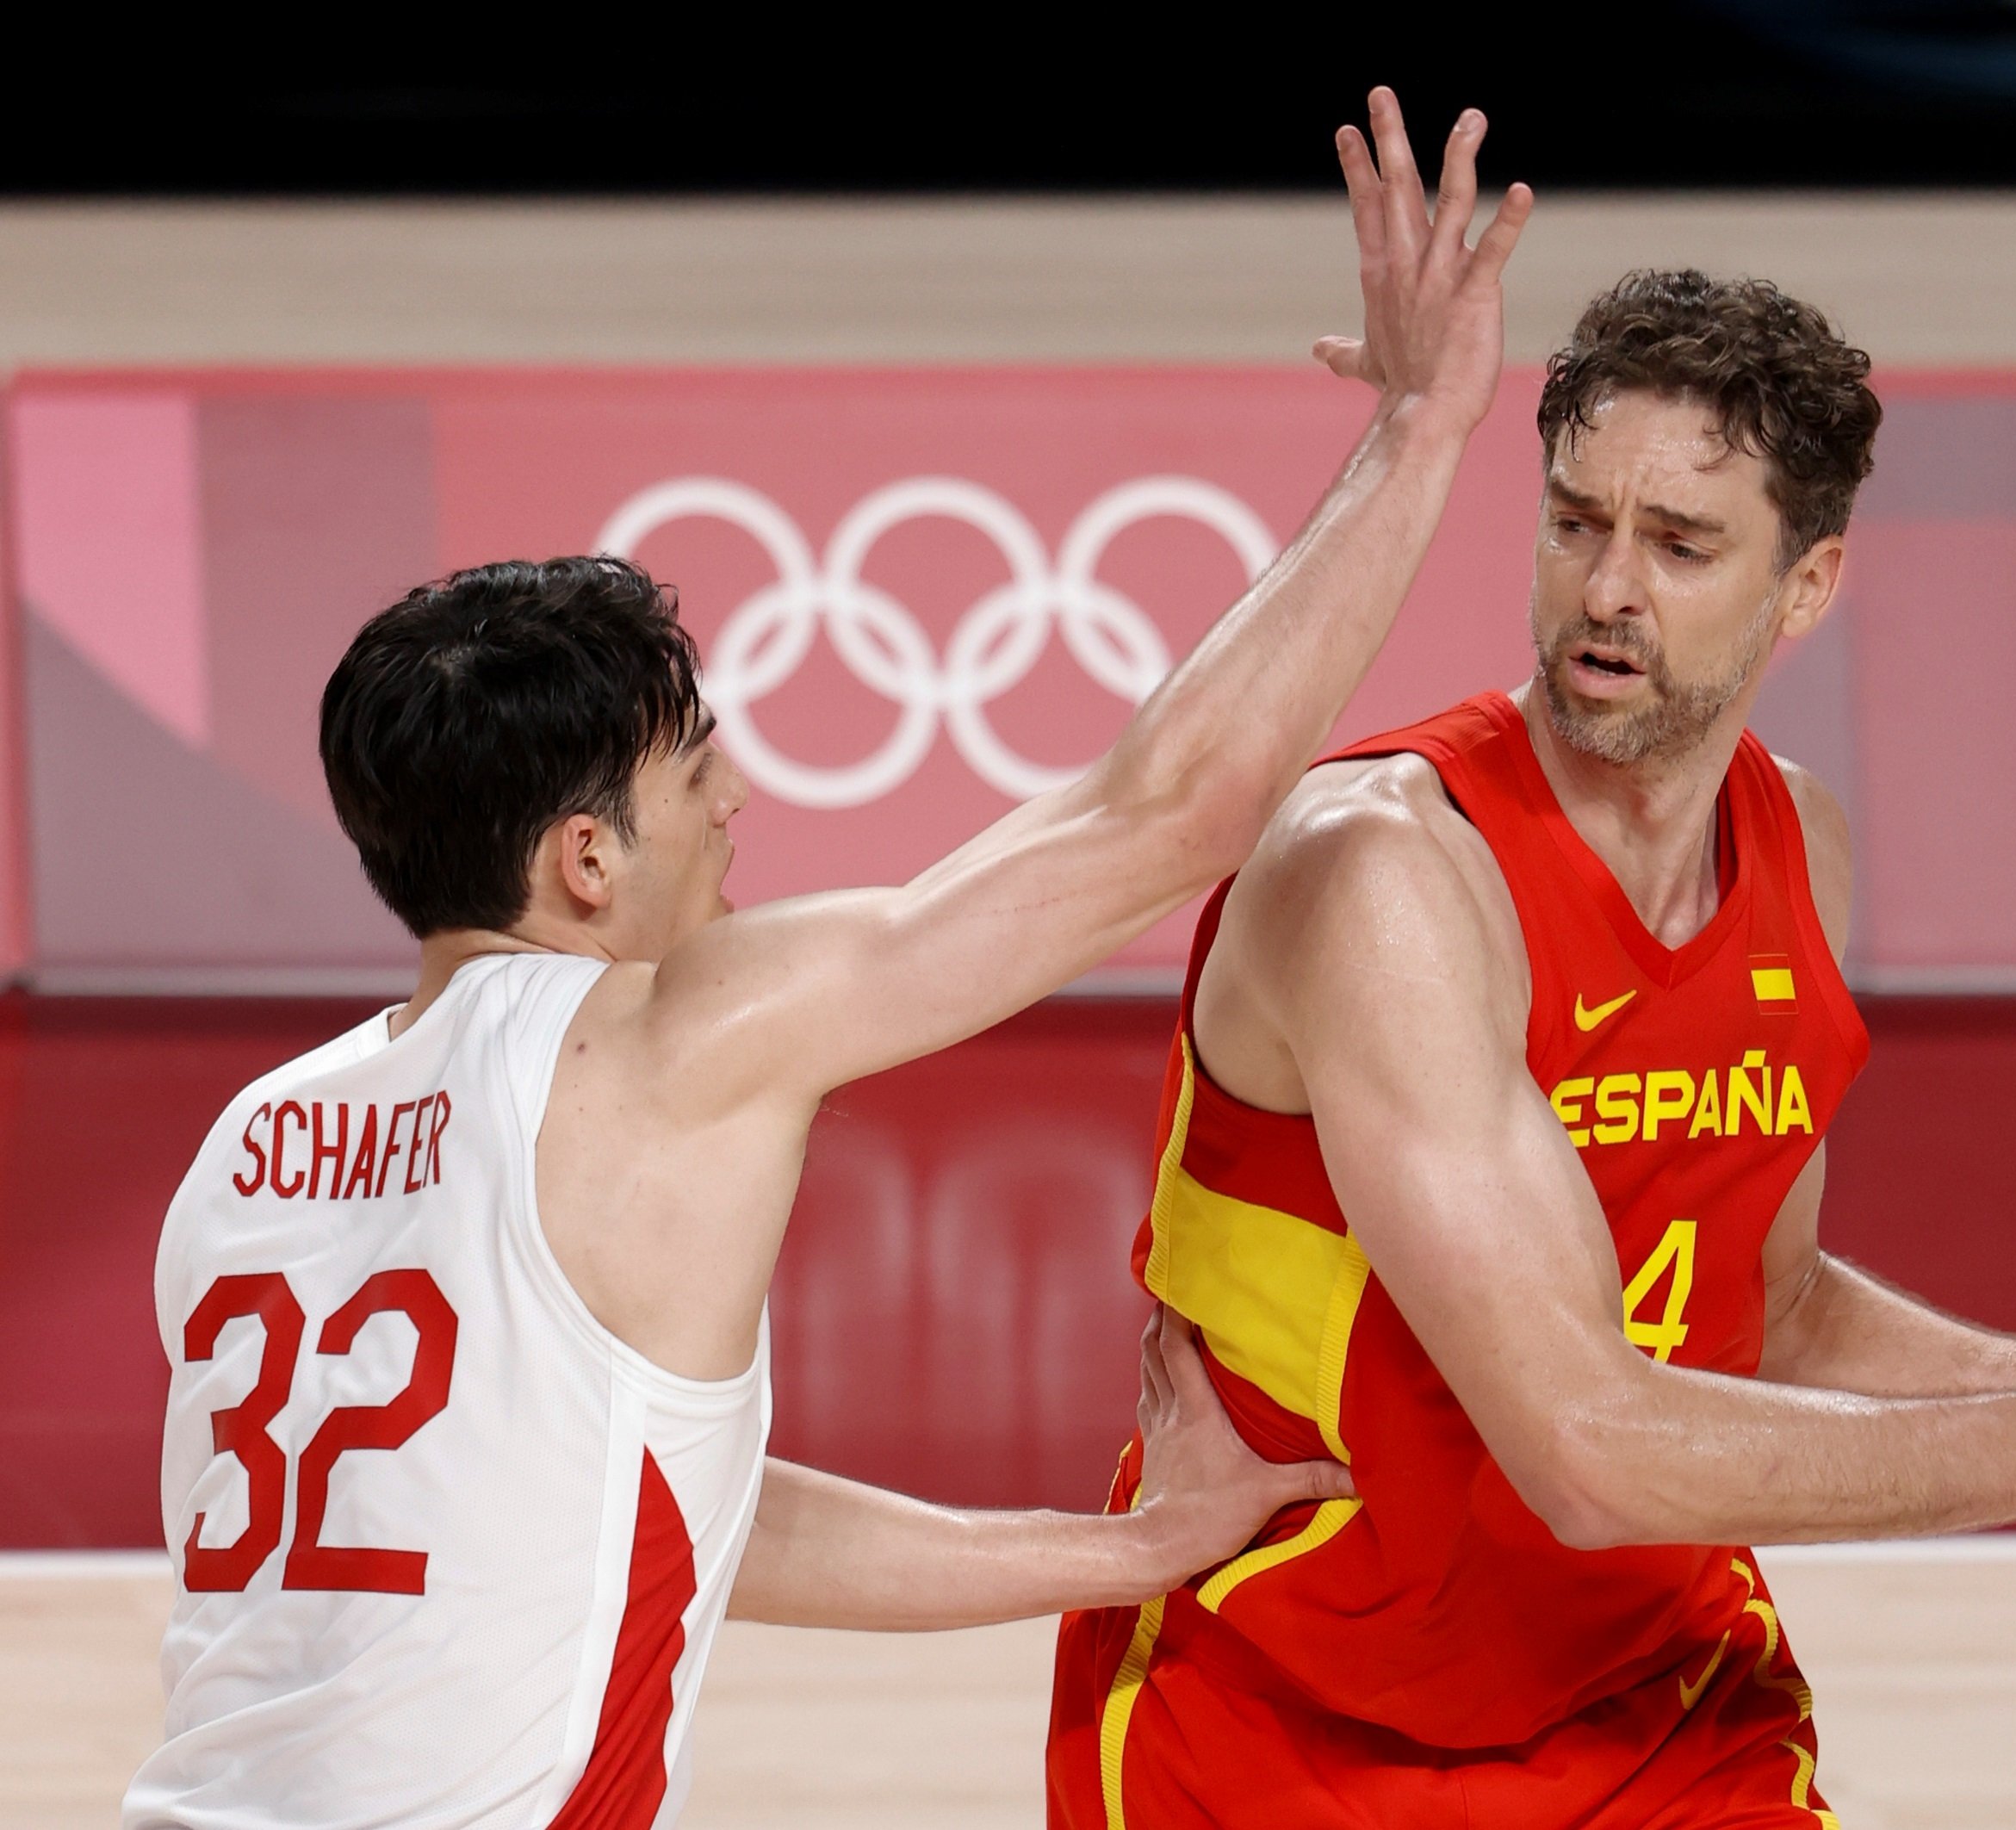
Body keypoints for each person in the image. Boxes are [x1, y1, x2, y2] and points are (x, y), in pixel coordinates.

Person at [125, 90, 1531, 1830]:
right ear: (584, 862)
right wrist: (1419, 427)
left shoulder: (249, 1147)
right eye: (694, 771)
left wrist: (1121, 1552)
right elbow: (1170, 820)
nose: (739, 804)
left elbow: (649, 1501)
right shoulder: (654, 1042)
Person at [1048, 270, 2016, 1828]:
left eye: (1681, 543)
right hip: (1292, 1722)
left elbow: (1764, 1309)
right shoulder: (1386, 872)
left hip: (1662, 1706)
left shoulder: (1801, 850)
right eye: (1577, 521)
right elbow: (1585, 1444)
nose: (1607, 590)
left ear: (1808, 584)